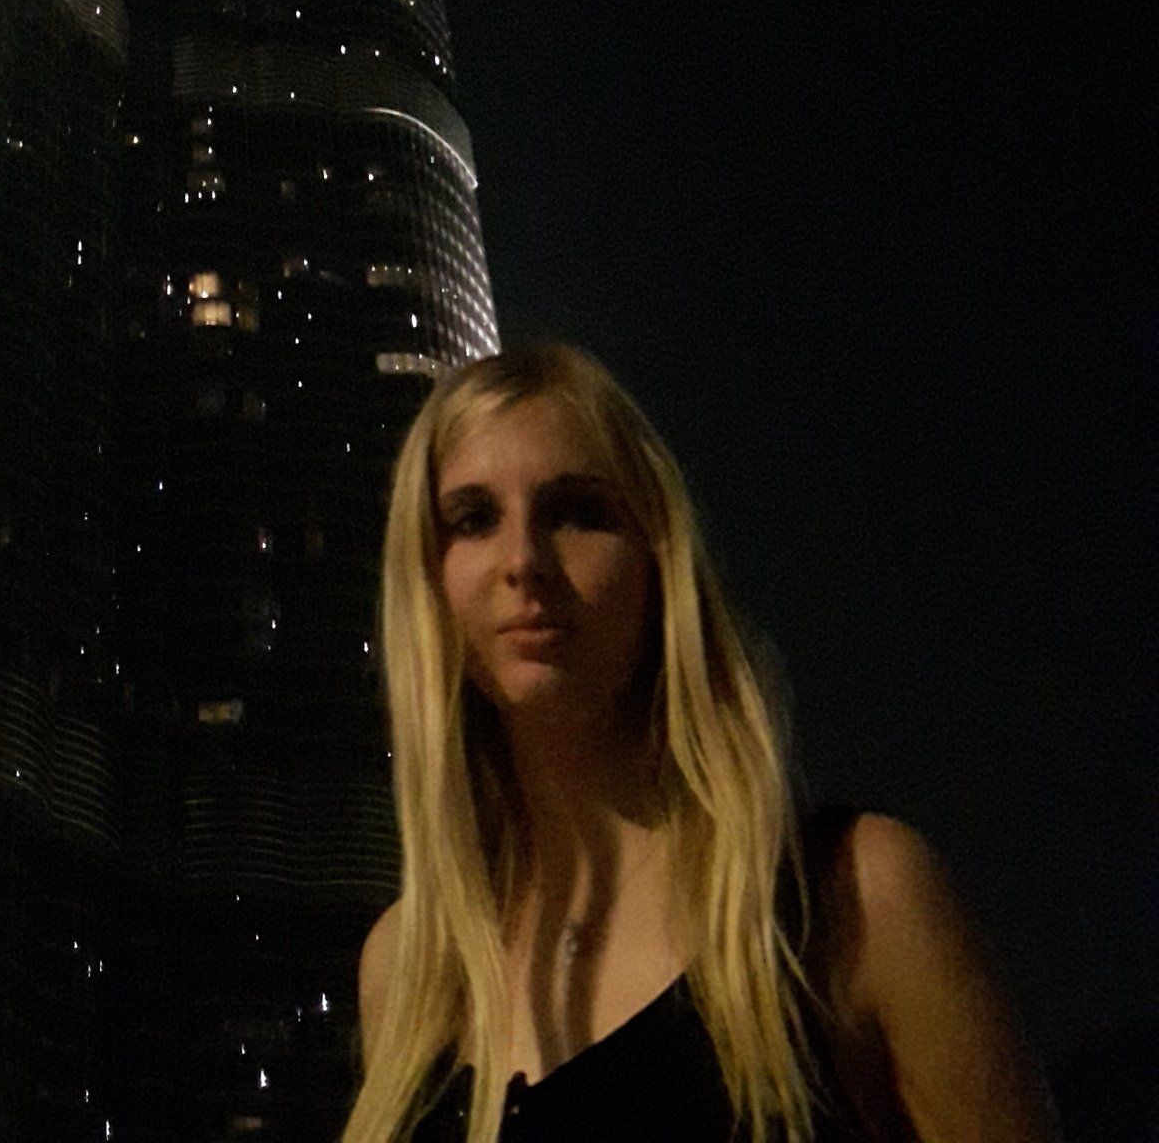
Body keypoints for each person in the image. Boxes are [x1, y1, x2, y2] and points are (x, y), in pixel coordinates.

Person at [345, 345, 1059, 1142]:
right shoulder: (410, 972)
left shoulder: (854, 901)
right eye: (473, 519)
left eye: (577, 511)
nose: (524, 561)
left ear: (658, 559)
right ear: (424, 580)